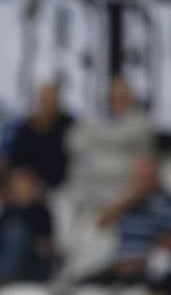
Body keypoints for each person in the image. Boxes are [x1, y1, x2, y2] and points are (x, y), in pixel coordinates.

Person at [65, 75, 155, 215]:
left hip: (124, 196)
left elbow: (145, 161)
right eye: (113, 97)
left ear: (130, 98)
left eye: (122, 97)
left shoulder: (140, 124)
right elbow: (73, 144)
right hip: (90, 190)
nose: (117, 102)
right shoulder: (90, 120)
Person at [92, 155, 171, 285]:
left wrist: (146, 258)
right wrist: (130, 199)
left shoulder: (168, 201)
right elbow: (100, 222)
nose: (142, 180)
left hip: (147, 267)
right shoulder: (126, 201)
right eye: (139, 175)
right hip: (120, 265)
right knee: (86, 285)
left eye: (146, 175)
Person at [0, 165, 56, 282]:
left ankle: (6, 278)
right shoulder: (5, 210)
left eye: (22, 182)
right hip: (0, 261)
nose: (19, 187)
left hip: (29, 263)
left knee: (16, 229)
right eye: (15, 182)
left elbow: (46, 245)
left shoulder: (41, 211)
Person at [6, 82, 73, 190]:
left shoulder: (69, 127)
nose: (48, 103)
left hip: (61, 187)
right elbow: (16, 162)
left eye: (51, 99)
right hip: (29, 187)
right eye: (44, 99)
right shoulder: (26, 128)